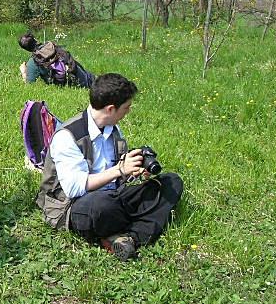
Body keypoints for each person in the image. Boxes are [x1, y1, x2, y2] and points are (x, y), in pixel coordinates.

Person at [35, 73, 183, 260]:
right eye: (126, 108)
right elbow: (74, 188)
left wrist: (132, 172)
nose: (128, 112)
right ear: (111, 109)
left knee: (171, 182)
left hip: (113, 196)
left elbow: (115, 175)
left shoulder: (112, 128)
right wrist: (119, 170)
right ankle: (139, 227)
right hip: (75, 205)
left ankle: (127, 237)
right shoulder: (67, 136)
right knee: (100, 206)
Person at [18, 33, 95, 88]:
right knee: (101, 82)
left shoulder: (33, 62)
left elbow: (29, 85)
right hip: (80, 74)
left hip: (72, 85)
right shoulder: (51, 46)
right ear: (35, 39)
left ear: (25, 49)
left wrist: (23, 72)